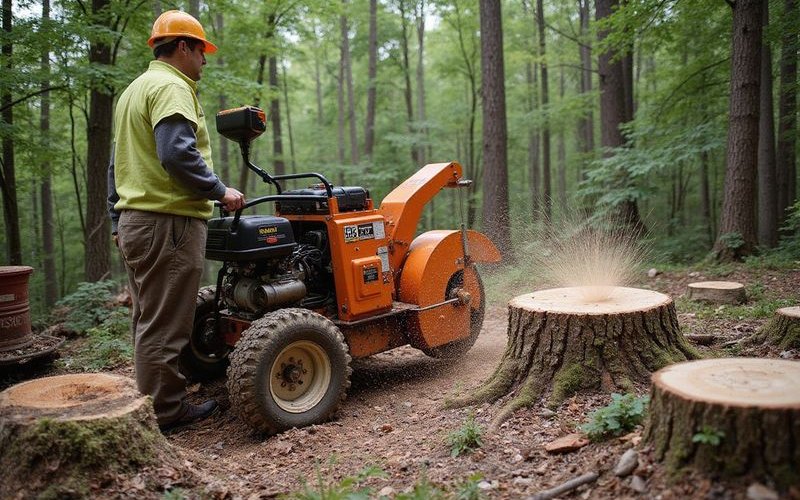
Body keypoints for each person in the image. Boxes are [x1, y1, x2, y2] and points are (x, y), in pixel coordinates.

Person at [107, 10, 245, 433]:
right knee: (166, 326)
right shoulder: (172, 87)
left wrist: (116, 219)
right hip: (168, 223)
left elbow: (116, 165)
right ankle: (165, 413)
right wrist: (220, 191)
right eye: (202, 51)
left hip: (137, 221)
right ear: (183, 46)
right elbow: (176, 154)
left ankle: (151, 403)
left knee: (149, 320)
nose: (204, 60)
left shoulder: (134, 90)